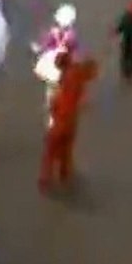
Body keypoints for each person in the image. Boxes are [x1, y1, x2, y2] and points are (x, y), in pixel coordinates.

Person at [40, 53, 98, 192]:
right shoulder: (76, 77)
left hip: (62, 120)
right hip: (68, 120)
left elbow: (57, 101)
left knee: (53, 149)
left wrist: (53, 110)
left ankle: (49, 176)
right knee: (62, 148)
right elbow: (76, 100)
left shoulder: (67, 77)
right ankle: (61, 173)